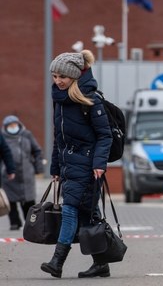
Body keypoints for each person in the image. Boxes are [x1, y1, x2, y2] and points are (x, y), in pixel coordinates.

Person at [41, 50, 112, 279]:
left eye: (62, 76)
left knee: (70, 210)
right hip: (68, 165)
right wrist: (55, 169)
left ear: (73, 76)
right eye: (54, 76)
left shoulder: (91, 99)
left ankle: (57, 262)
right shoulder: (60, 101)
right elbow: (58, 138)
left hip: (88, 166)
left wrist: (99, 164)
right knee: (88, 215)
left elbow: (105, 135)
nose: (57, 81)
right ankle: (102, 263)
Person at [1, 115, 44, 230]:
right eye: (10, 125)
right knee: (11, 200)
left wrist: (38, 168)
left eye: (14, 124)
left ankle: (30, 223)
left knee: (29, 200)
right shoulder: (2, 137)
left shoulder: (26, 135)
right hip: (8, 175)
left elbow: (37, 151)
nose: (13, 127)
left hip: (26, 173)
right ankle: (15, 223)